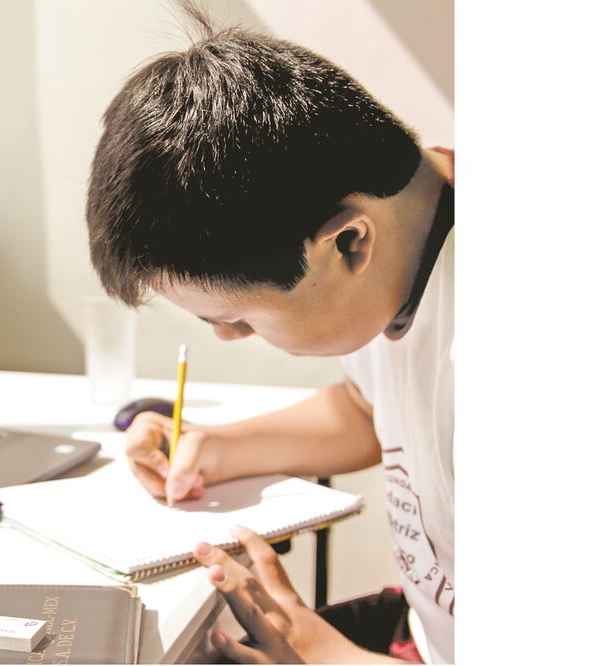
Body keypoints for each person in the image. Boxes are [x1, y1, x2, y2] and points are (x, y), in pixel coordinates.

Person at [85, 14, 454, 665]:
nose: (228, 339)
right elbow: (368, 412)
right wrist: (217, 448)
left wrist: (327, 658)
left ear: (347, 242)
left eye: (240, 317)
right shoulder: (413, 223)